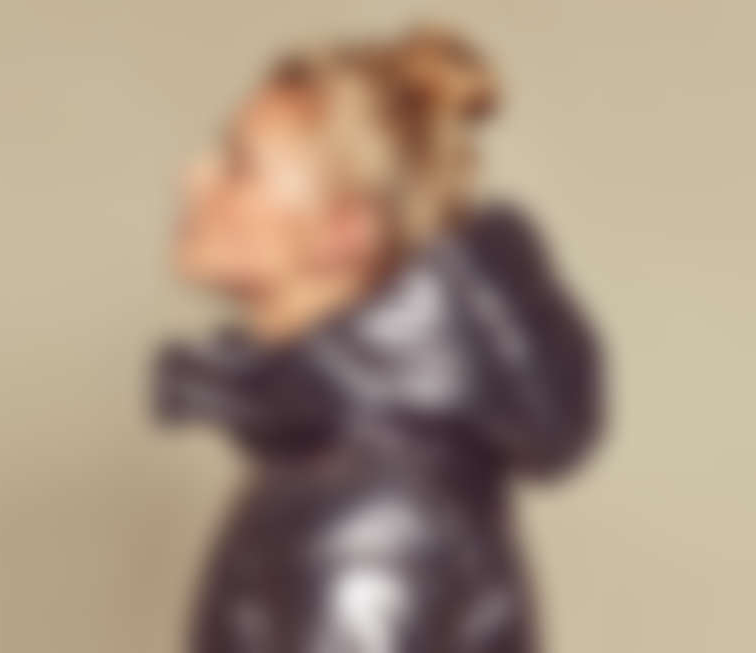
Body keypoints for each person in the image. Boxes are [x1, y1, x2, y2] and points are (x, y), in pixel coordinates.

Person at [155, 25, 603, 653]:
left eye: (240, 166)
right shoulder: (356, 465)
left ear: (342, 231)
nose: (195, 177)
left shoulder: (365, 524)